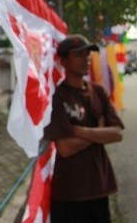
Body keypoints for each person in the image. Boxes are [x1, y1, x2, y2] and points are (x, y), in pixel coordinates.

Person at [44, 34, 124, 223]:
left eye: (88, 54)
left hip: (99, 188)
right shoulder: (58, 98)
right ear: (63, 60)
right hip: (68, 193)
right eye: (79, 54)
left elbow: (117, 134)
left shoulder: (98, 92)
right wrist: (99, 130)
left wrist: (80, 131)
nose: (86, 59)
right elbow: (64, 148)